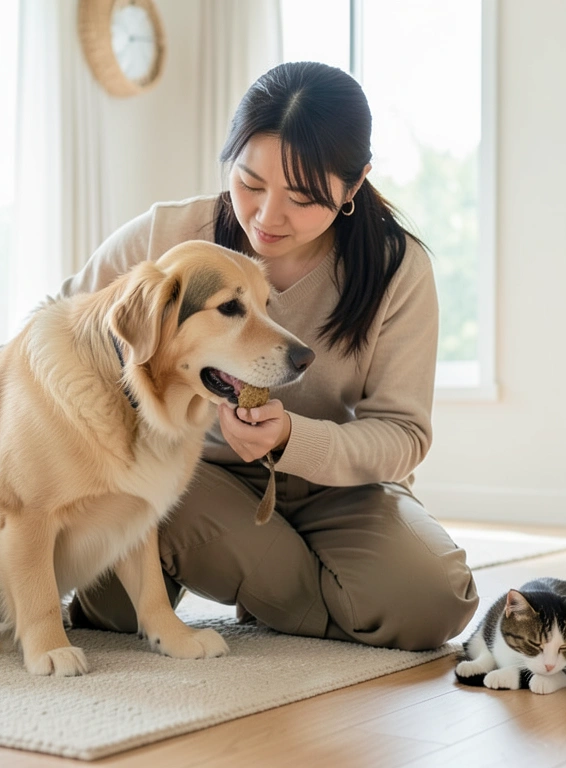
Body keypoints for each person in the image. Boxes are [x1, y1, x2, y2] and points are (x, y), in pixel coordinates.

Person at [63, 61, 477, 651]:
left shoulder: (397, 268)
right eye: (250, 183)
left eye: (303, 197)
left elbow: (403, 433)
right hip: (189, 478)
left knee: (433, 601)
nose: (266, 216)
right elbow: (48, 335)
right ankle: (323, 602)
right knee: (114, 615)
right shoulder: (165, 237)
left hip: (338, 488)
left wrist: (290, 441)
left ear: (354, 185)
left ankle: (273, 587)